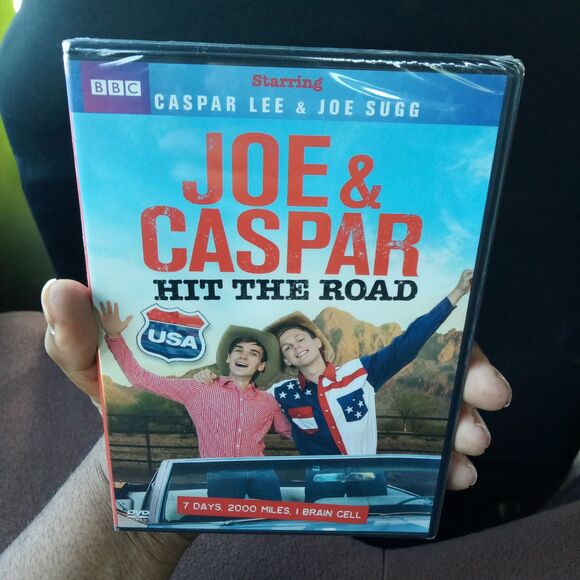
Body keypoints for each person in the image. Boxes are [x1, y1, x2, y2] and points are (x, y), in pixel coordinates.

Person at [98, 300, 292, 500]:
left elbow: (293, 432)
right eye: (238, 350)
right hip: (221, 475)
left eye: (253, 353)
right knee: (223, 519)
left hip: (262, 474)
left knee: (274, 516)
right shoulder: (199, 387)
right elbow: (141, 378)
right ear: (228, 358)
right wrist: (115, 337)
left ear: (261, 366)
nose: (244, 356)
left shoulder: (268, 401)